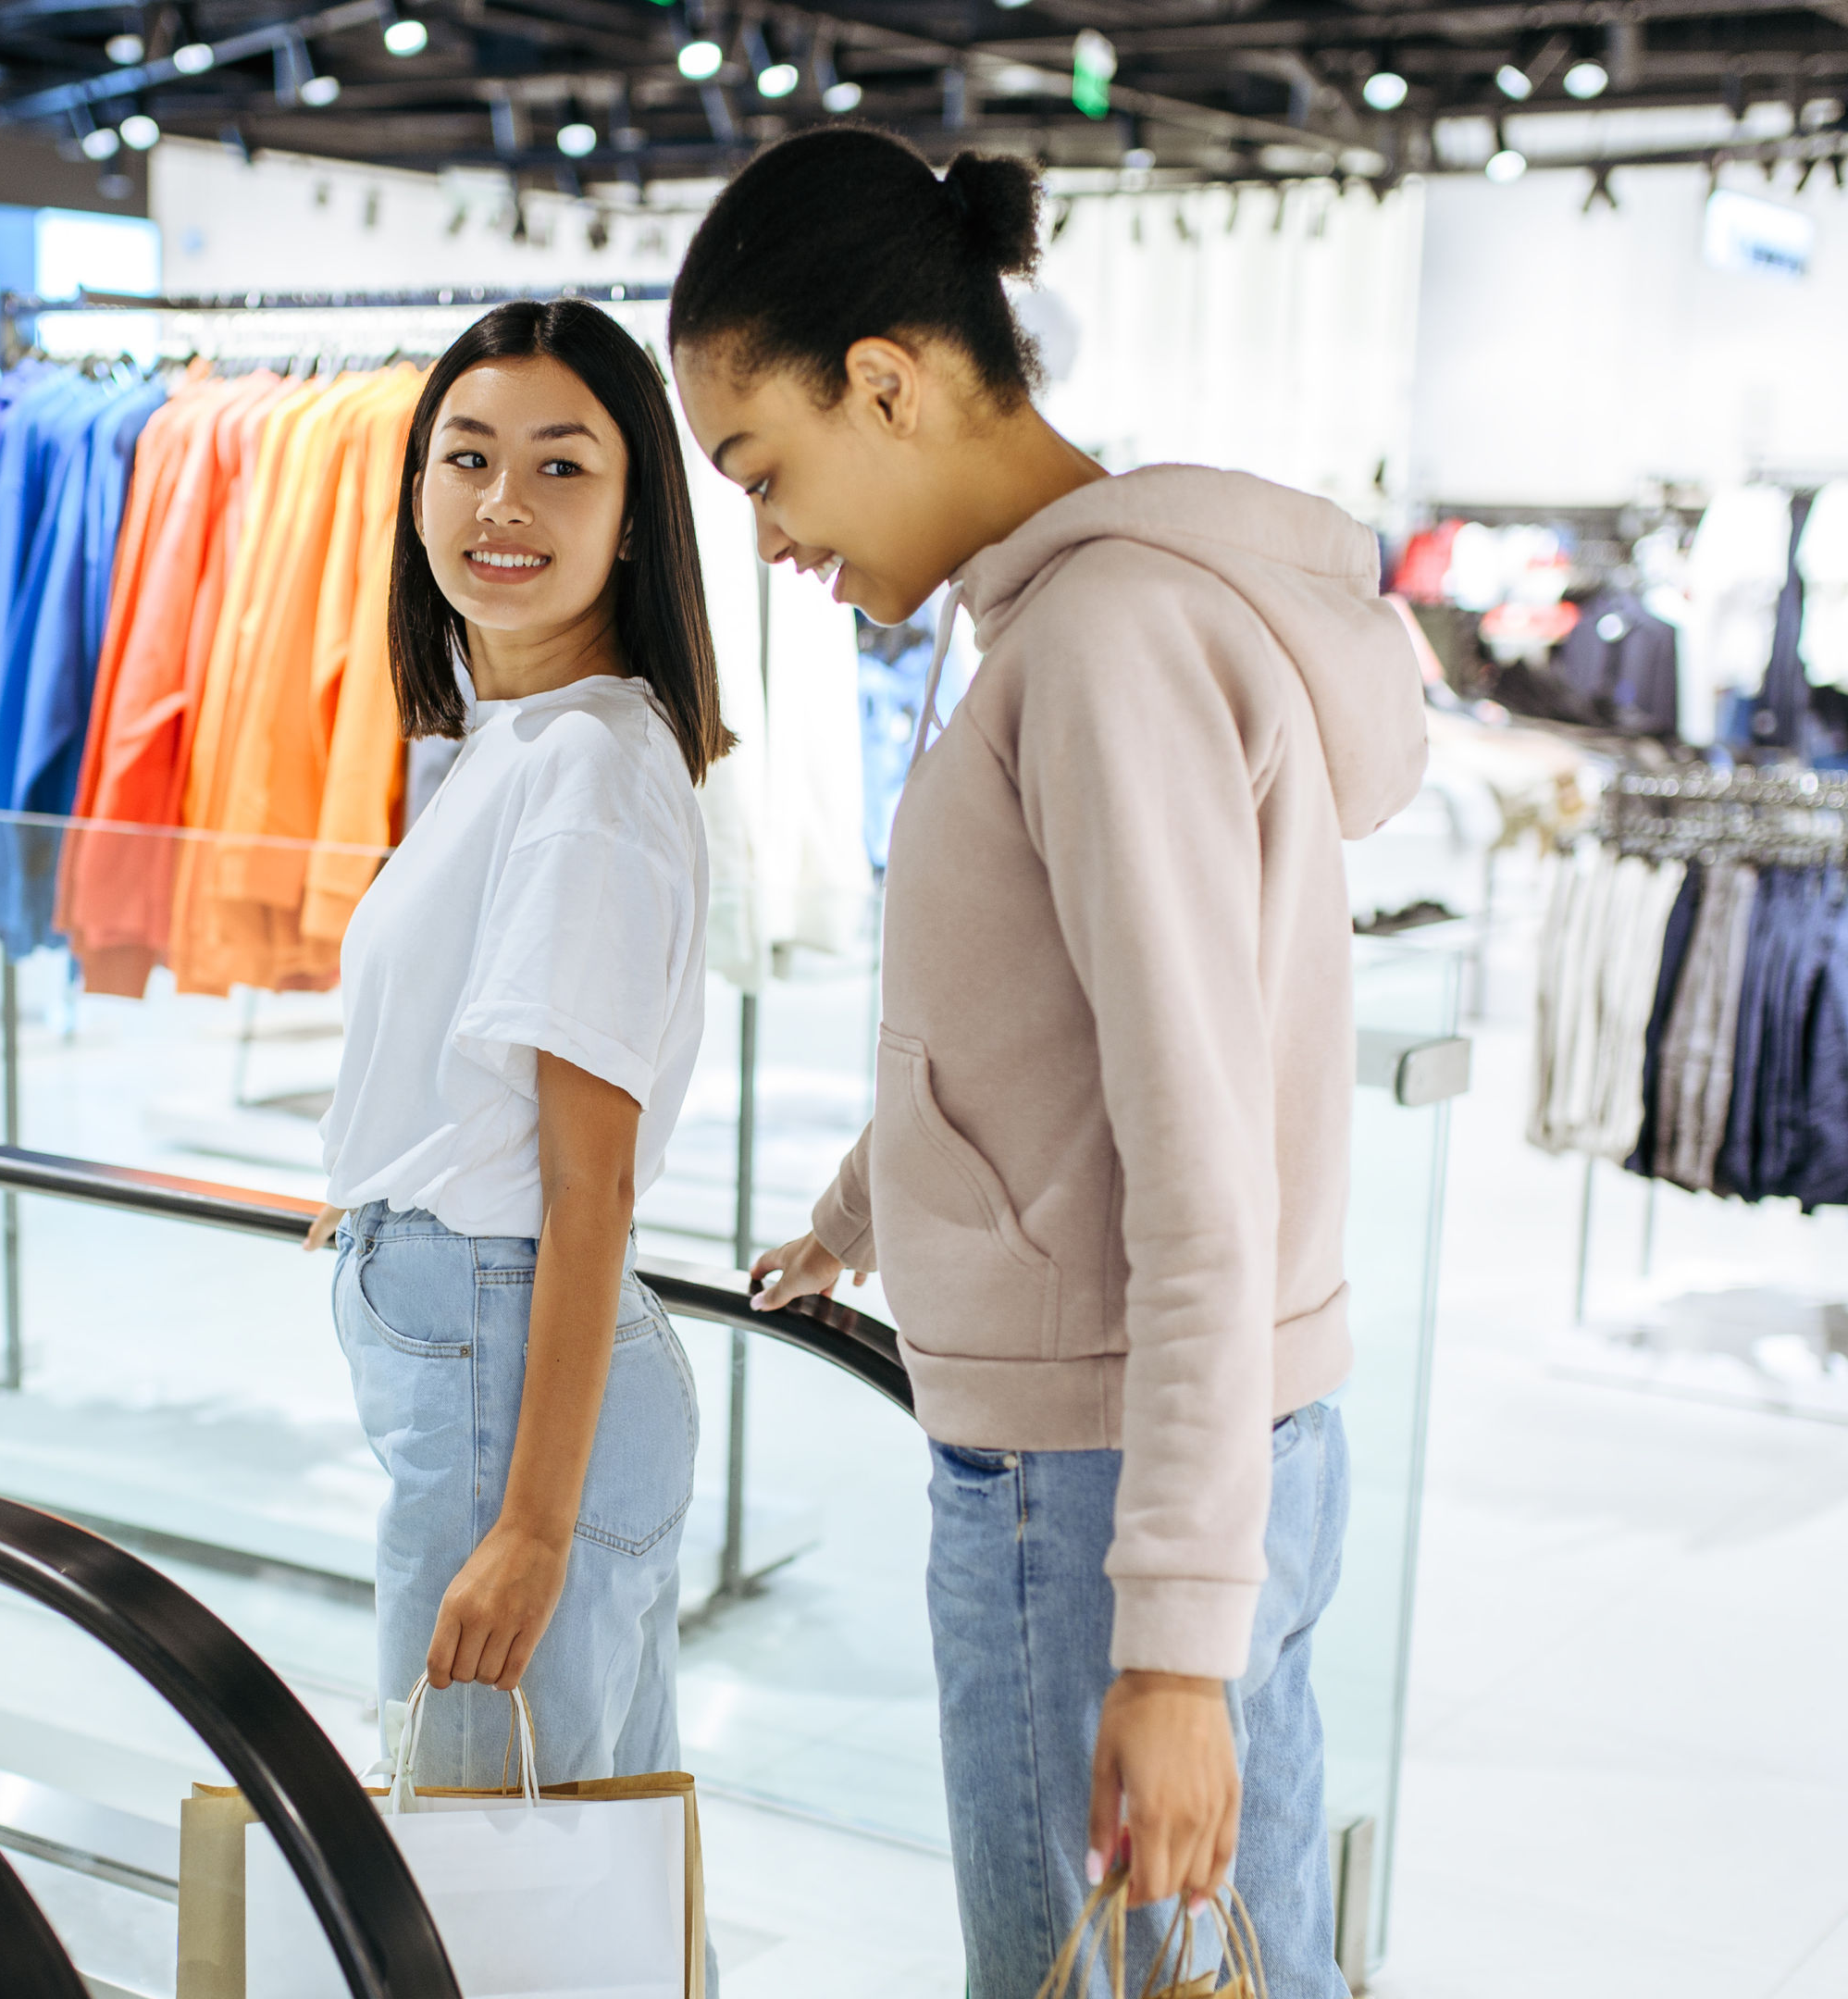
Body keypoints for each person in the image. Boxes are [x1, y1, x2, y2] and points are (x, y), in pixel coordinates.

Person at [674, 129, 1427, 1991]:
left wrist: (1169, 1643)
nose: (770, 537)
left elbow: (1199, 1158)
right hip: (1164, 1449)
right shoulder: (1063, 621)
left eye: (762, 468)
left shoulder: (1101, 643)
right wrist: (868, 1209)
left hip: (1102, 1477)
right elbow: (1042, 1032)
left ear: (886, 383)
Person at [308, 300, 731, 1791]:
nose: (501, 503)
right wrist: (383, 1177)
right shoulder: (530, 741)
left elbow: (587, 1180)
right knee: (568, 1850)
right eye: (467, 457)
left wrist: (535, 1525)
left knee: (482, 1857)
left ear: (634, 517)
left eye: (561, 467)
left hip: (505, 1366)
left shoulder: (587, 768)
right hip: (484, 1337)